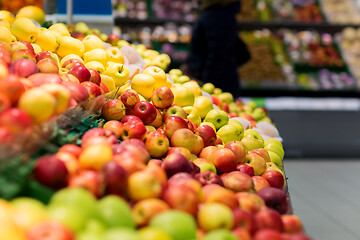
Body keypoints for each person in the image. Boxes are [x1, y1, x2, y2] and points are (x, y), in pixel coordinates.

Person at [186, 0, 250, 98]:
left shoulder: (216, 16)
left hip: (219, 85)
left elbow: (217, 55)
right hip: (221, 81)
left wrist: (206, 84)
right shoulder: (218, 14)